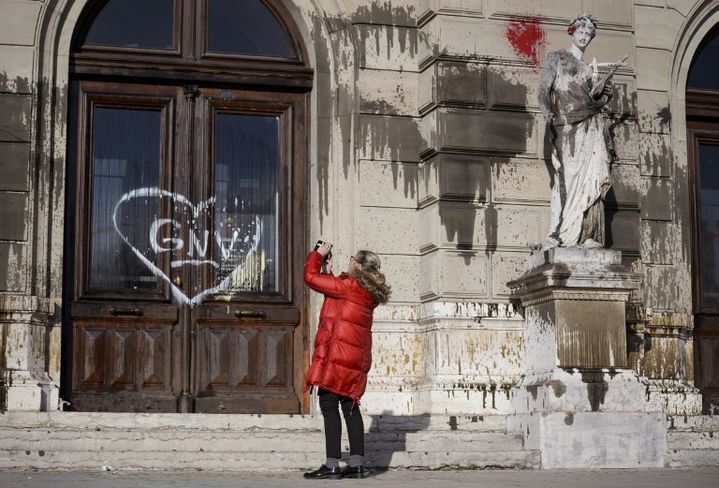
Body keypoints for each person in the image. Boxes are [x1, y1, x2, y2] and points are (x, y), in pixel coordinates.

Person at [302, 241, 391, 480]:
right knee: (350, 407)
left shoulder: (348, 285)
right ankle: (357, 463)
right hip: (355, 358)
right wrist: (328, 273)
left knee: (329, 404)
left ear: (358, 265)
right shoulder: (365, 291)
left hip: (339, 356)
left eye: (352, 258)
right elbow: (338, 302)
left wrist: (317, 255)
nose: (349, 261)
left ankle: (332, 465)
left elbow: (310, 277)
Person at [537, 14, 625, 249]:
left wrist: (604, 91)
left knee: (592, 180)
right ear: (572, 32)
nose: (585, 37)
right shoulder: (558, 58)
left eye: (589, 34)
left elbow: (594, 98)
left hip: (590, 127)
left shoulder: (588, 69)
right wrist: (547, 113)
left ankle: (587, 234)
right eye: (581, 32)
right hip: (566, 126)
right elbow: (544, 90)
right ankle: (562, 233)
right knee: (567, 177)